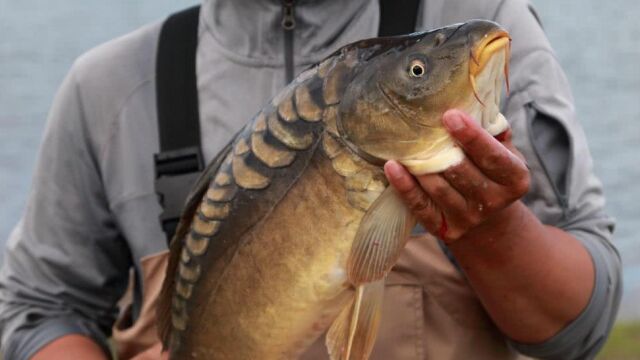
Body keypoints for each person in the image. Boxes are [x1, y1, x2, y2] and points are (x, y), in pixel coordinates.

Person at [0, 0, 622, 359]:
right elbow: (37, 307)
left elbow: (581, 328)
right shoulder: (109, 85)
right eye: (414, 73)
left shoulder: (478, 18)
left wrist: (492, 232)